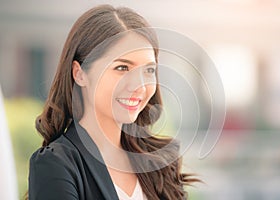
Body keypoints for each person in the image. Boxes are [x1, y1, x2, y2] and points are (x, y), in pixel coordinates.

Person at [28, 4, 198, 200]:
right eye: (122, 68)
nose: (139, 86)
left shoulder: (161, 163)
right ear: (80, 73)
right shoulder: (56, 164)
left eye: (148, 70)